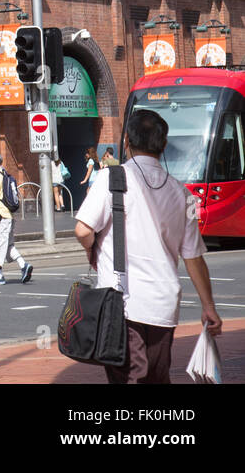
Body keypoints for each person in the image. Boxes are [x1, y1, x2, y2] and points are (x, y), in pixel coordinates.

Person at [75, 109, 222, 383]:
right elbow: (194, 257)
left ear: (127, 142)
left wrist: (90, 249)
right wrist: (208, 306)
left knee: (131, 378)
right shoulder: (183, 194)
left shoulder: (111, 179)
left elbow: (83, 229)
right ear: (164, 145)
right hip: (163, 306)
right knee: (156, 377)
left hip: (122, 304)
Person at [0, 150, 32, 285]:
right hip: (8, 216)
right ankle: (23, 265)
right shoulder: (4, 174)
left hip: (0, 217)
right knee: (7, 245)